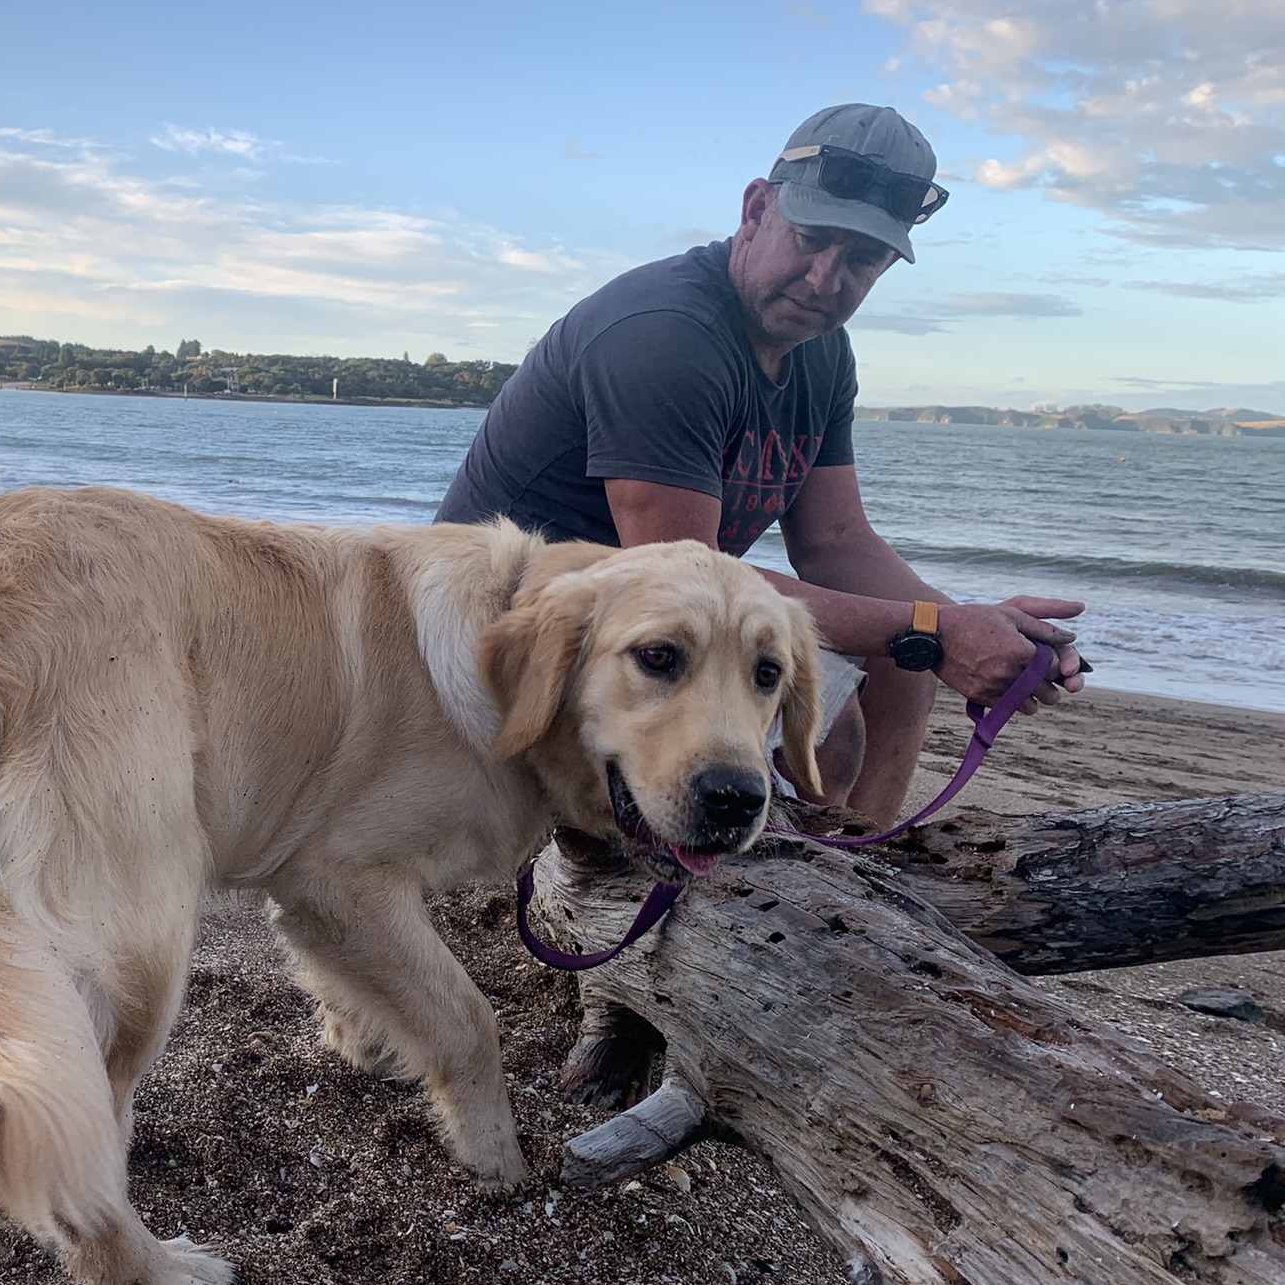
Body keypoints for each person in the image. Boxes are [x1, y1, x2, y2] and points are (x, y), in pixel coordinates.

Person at [436, 103, 1087, 826]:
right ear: (755, 209)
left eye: (862, 260)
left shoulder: (823, 350)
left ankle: (868, 860)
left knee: (900, 670)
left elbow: (838, 540)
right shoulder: (667, 336)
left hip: (666, 628)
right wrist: (937, 629)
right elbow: (678, 563)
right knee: (843, 711)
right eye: (811, 238)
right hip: (520, 637)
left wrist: (960, 626)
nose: (823, 279)